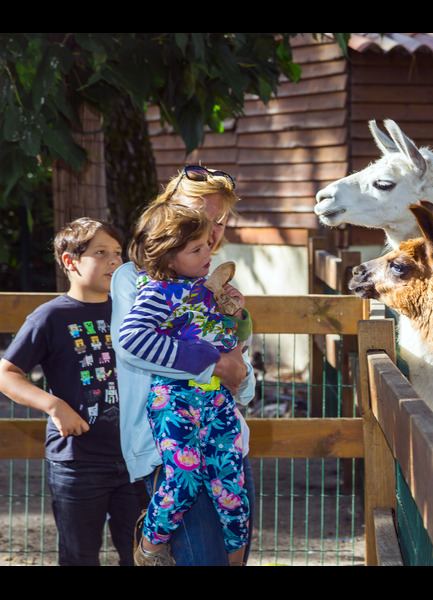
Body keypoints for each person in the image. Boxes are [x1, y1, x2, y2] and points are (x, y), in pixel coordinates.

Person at [110, 165, 256, 566]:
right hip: (168, 443)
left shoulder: (211, 283)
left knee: (235, 528)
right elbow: (134, 347)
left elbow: (239, 358)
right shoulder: (136, 279)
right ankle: (148, 549)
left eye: (219, 221)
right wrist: (215, 364)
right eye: (199, 216)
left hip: (225, 432)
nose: (210, 230)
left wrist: (240, 375)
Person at [0, 217, 144, 566]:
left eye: (118, 253)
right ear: (70, 261)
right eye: (101, 252)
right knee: (79, 556)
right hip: (77, 463)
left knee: (144, 555)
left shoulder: (135, 312)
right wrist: (54, 405)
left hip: (138, 458)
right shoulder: (49, 317)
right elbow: (7, 374)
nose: (115, 261)